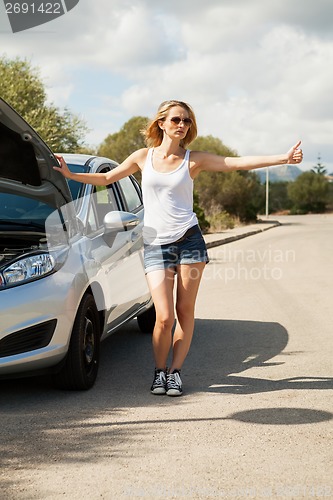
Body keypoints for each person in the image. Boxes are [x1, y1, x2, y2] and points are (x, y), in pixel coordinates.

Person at [54, 99, 303, 397]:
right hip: (156, 245)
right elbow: (107, 178)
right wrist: (70, 176)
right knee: (163, 316)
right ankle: (159, 372)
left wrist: (283, 159)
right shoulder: (143, 157)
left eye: (186, 121)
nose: (182, 125)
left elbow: (235, 163)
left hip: (190, 242)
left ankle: (175, 373)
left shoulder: (193, 160)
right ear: (161, 123)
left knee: (185, 310)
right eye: (176, 120)